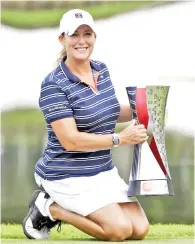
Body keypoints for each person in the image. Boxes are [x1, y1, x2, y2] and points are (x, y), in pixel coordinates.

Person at [22, 9, 149, 241]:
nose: (82, 41)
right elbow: (70, 141)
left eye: (87, 34)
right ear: (63, 39)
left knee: (139, 230)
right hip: (66, 174)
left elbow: (109, 111)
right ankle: (50, 208)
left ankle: (56, 207)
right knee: (118, 231)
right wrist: (121, 139)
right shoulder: (54, 85)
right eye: (74, 35)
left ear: (94, 37)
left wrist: (144, 109)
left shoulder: (101, 69)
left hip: (102, 172)